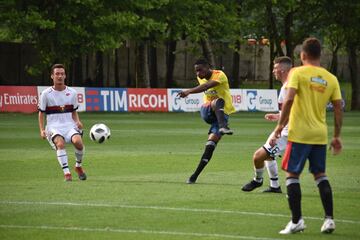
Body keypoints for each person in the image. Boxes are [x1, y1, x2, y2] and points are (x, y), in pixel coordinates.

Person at [270, 38, 343, 234]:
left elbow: (289, 99)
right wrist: (337, 136)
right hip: (320, 134)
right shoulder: (331, 78)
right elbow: (338, 108)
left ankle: (297, 221)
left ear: (302, 55)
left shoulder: (298, 73)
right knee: (320, 175)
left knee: (292, 175)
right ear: (320, 55)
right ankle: (329, 220)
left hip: (299, 133)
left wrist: (279, 127)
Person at [178, 58, 236, 184]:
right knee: (218, 101)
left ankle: (194, 176)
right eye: (196, 71)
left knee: (210, 146)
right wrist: (189, 91)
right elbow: (204, 85)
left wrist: (189, 91)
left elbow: (207, 85)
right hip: (207, 111)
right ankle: (223, 127)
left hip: (222, 114)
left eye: (200, 70)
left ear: (208, 67)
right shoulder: (201, 77)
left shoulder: (219, 75)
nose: (198, 73)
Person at [242, 56, 292, 193]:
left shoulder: (288, 87)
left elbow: (291, 113)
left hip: (288, 132)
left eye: (275, 68)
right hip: (285, 128)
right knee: (269, 155)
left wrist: (278, 131)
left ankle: (257, 180)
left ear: (282, 69)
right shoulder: (287, 86)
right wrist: (277, 116)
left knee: (258, 156)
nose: (273, 71)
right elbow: (291, 111)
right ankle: (274, 186)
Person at [38, 64, 87, 182]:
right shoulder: (46, 94)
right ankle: (67, 173)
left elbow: (73, 111)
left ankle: (78, 167)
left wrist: (78, 121)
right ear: (52, 76)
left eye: (62, 74)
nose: (59, 76)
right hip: (53, 127)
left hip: (69, 125)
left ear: (65, 76)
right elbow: (41, 113)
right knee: (60, 144)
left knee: (78, 142)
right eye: (57, 74)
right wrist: (42, 130)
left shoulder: (72, 92)